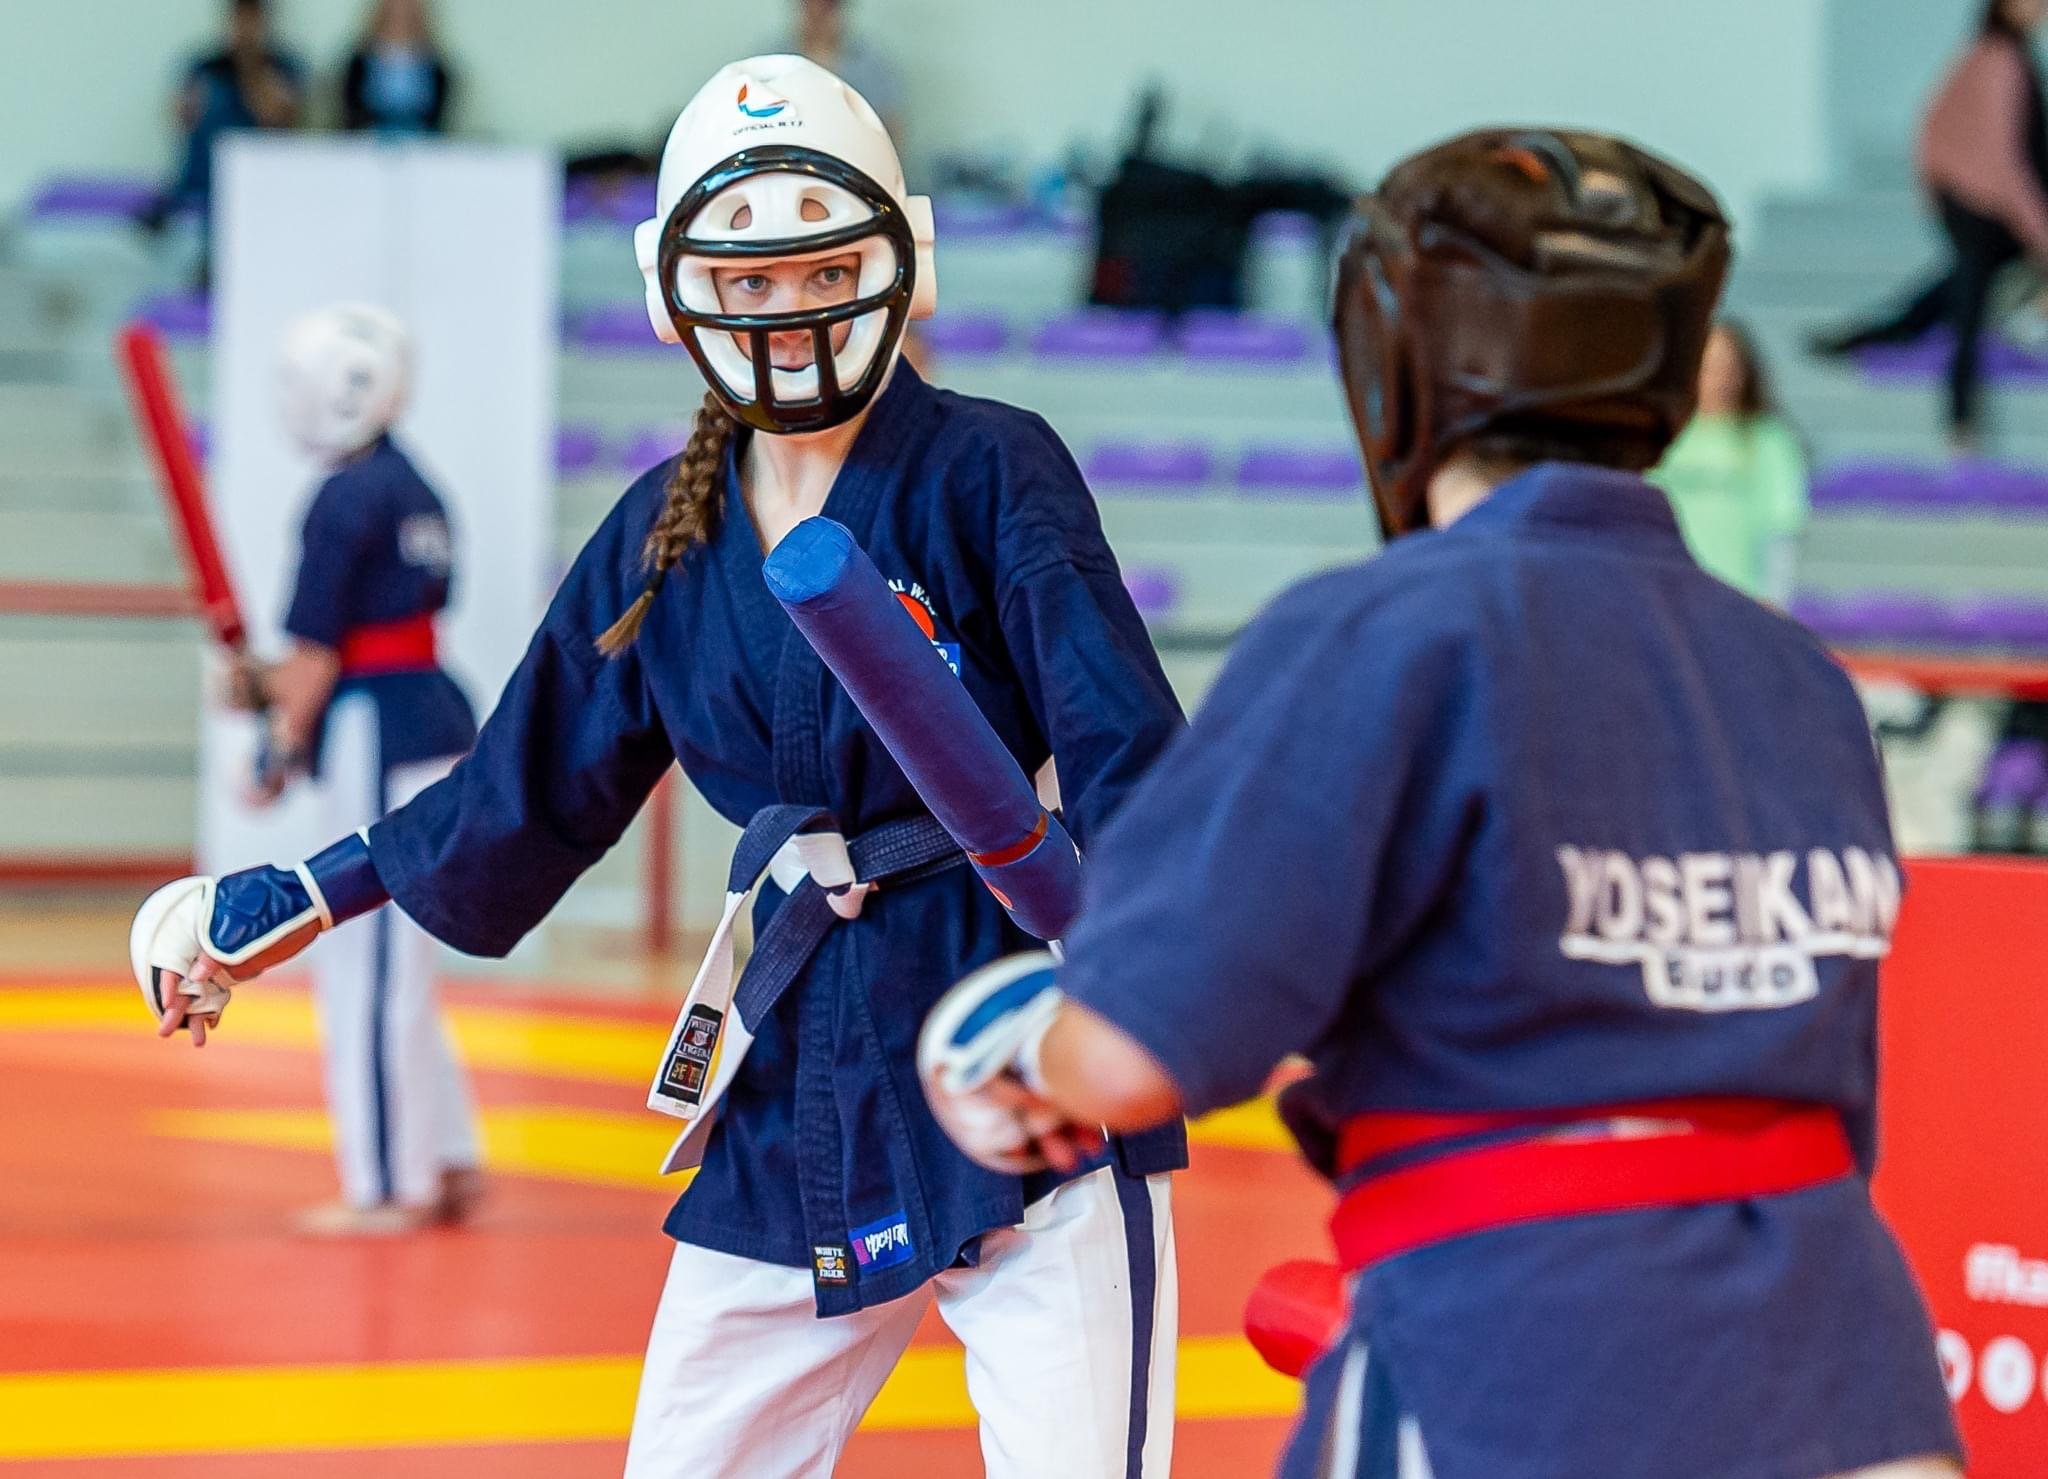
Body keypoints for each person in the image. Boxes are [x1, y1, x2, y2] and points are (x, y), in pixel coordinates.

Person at [130, 56, 1186, 1477]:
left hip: (1016, 1018)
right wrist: (302, 894)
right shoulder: (661, 532)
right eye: (747, 281)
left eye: (822, 268)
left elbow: (1122, 738)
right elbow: (521, 782)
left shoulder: (992, 468)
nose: (789, 311)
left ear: (900, 263)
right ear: (680, 294)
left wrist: (1152, 969)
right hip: (797, 1046)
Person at [922, 129, 1964, 1479]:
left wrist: (1004, 1059)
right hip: (1855, 1375)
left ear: (1399, 368)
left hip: (1527, 1357)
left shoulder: (1382, 633)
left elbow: (1131, 1056)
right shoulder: (1801, 676)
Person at [222, 303, 482, 1236]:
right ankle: (443, 1150)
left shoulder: (343, 497)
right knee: (400, 958)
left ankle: (384, 1182)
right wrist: (273, 689)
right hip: (431, 713)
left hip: (377, 727)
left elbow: (317, 654)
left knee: (365, 961)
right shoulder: (414, 484)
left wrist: (275, 739)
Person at [1813, 0, 2048, 449]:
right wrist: (2038, 230)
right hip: (1982, 206)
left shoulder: (2002, 57)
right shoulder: (1997, 60)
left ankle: (1874, 334)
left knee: (1958, 288)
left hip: (1979, 203)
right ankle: (1961, 422)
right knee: (1970, 307)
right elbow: (2005, 160)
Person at [1650, 319, 1808, 603]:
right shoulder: (1655, 434)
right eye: (1707, 365)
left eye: (1726, 366)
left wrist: (1774, 597)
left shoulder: (1766, 439)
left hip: (1736, 601)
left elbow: (1779, 531)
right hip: (1665, 598)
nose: (1718, 377)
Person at [143, 0, 303, 234]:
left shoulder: (284, 67)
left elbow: (275, 117)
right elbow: (180, 120)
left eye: (251, 20)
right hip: (205, 175)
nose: (244, 28)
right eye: (239, 19)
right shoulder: (205, 67)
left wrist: (250, 65)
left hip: (260, 177)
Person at [777, 0, 904, 140]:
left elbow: (890, 128)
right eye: (811, 5)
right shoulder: (774, 61)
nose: (818, 14)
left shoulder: (870, 66)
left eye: (826, 7)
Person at [341, 0, 454, 136]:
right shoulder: (359, 62)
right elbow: (353, 110)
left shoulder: (435, 65)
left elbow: (438, 113)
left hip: (423, 140)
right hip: (367, 140)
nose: (400, 13)